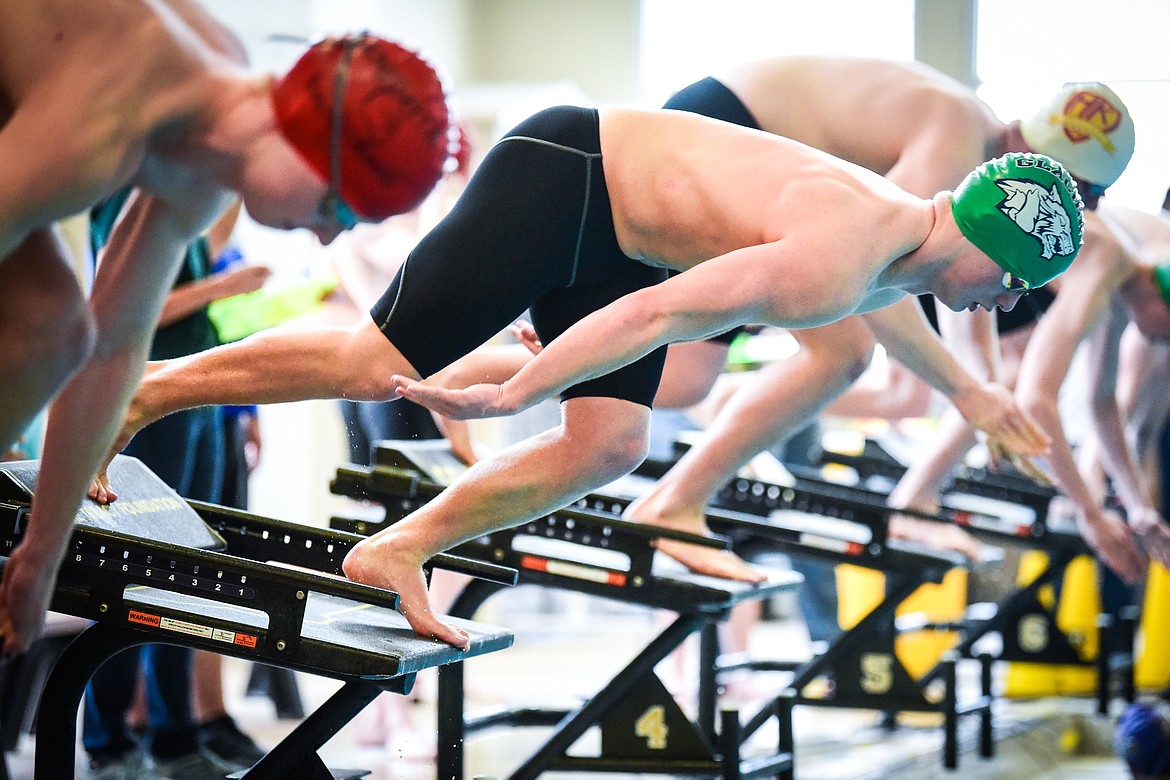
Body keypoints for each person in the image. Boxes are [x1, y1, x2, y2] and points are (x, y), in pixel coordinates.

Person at [108, 97, 1084, 646]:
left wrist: (969, 390)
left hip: (627, 236)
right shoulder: (839, 259)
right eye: (1009, 286)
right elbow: (660, 313)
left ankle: (397, 549)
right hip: (567, 174)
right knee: (374, 363)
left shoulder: (889, 241)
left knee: (611, 441)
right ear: (991, 246)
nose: (1001, 307)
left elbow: (878, 307)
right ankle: (143, 390)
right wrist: (521, 389)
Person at [0, 0, 455, 655]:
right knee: (48, 325)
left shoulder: (206, 139)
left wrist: (42, 554)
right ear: (299, 136)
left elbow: (115, 350)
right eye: (337, 206)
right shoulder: (100, 125)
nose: (327, 234)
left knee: (56, 330)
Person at [614, 61, 1143, 581]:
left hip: (739, 141)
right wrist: (968, 394)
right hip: (727, 133)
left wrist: (981, 390)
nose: (1067, 212)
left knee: (683, 381)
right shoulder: (953, 141)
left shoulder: (979, 155)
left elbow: (959, 303)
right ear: (1033, 159)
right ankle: (672, 503)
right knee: (842, 354)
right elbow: (879, 278)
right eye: (1068, 194)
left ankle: (548, 359)